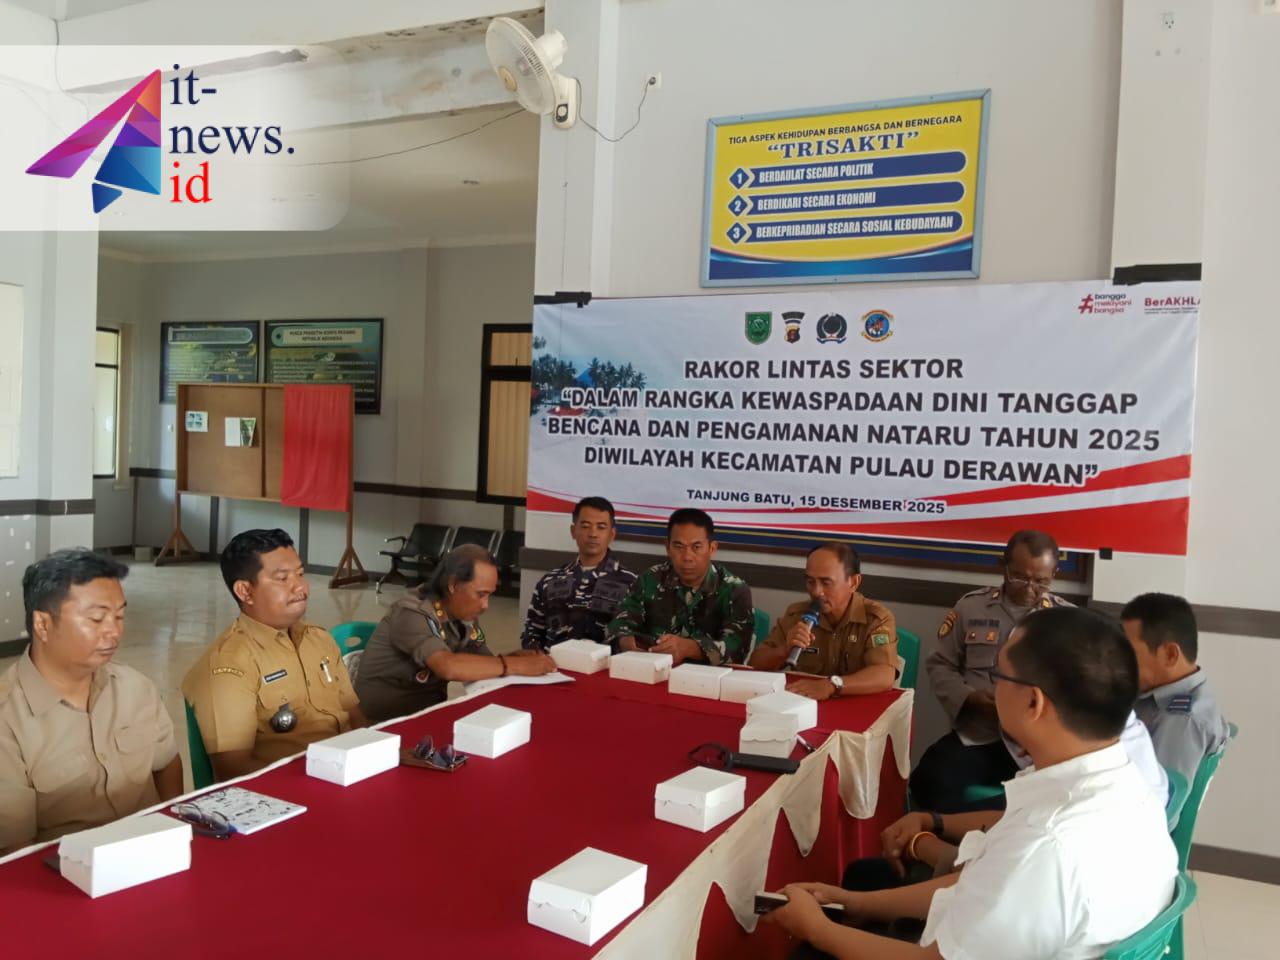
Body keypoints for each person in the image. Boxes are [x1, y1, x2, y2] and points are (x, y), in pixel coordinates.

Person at [764, 607, 1177, 959]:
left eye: (999, 676)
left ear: (1033, 702)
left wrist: (816, 928)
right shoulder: (1127, 786)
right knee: (860, 883)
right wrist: (854, 904)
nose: (991, 688)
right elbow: (977, 884)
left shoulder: (1044, 847)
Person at [0, 550, 181, 854]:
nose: (114, 631)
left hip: (150, 857)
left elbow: (166, 763)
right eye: (96, 619)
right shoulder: (8, 719)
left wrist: (169, 833)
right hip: (65, 872)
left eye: (119, 616)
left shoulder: (135, 687)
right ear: (43, 625)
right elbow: (14, 851)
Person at [182, 529, 366, 780]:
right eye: (282, 578)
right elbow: (233, 769)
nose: (300, 586)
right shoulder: (229, 663)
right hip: (292, 789)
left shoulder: (319, 640)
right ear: (245, 592)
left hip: (348, 774)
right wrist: (317, 782)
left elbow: (356, 718)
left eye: (300, 574)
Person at [911, 529, 1071, 811]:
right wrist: (967, 698)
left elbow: (1078, 687)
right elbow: (941, 664)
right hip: (980, 735)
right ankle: (953, 831)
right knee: (929, 779)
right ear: (1004, 565)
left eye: (1041, 581)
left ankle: (991, 826)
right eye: (1019, 577)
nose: (1030, 588)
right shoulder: (971, 607)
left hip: (1035, 744)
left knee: (1051, 799)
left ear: (1054, 574)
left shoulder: (1067, 620)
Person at [356, 544, 556, 723]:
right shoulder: (411, 612)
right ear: (453, 584)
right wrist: (514, 665)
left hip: (427, 714)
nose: (485, 605)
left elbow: (483, 662)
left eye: (489, 595)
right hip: (382, 724)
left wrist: (515, 658)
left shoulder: (463, 615)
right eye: (481, 594)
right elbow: (447, 666)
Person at [606, 508, 753, 666]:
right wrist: (625, 641)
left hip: (708, 677)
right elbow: (618, 625)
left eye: (696, 547)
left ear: (712, 548)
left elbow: (737, 650)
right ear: (667, 547)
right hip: (654, 670)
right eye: (678, 546)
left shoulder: (734, 590)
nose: (687, 557)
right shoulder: (650, 579)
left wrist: (690, 648)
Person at [750, 542, 898, 699]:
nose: (816, 591)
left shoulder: (877, 618)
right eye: (810, 581)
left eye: (826, 583)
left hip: (856, 706)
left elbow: (885, 675)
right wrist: (785, 650)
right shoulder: (797, 615)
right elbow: (756, 662)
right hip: (805, 706)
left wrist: (831, 685)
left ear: (853, 582)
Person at [1123, 592, 1230, 787]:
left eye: (1129, 652)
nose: (1121, 661)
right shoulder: (1181, 693)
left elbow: (1162, 799)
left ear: (1171, 655)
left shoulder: (1181, 721)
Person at [520, 496, 637, 651]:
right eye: (586, 526)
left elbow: (634, 640)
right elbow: (532, 634)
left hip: (604, 665)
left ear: (612, 534)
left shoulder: (631, 583)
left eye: (601, 527)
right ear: (573, 531)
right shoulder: (550, 581)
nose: (593, 534)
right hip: (553, 664)